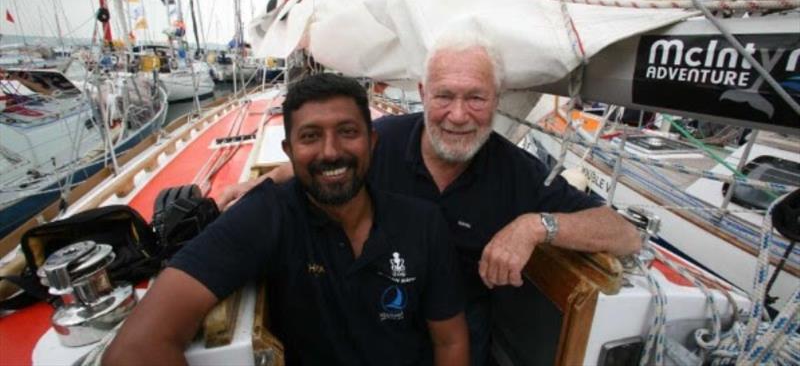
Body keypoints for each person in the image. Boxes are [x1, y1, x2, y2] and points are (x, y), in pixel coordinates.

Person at [219, 31, 641, 365]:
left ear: (497, 100)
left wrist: (537, 225)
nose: (458, 115)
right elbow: (310, 167)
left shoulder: (517, 172)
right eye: (444, 96)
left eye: (475, 97)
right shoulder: (380, 142)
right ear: (422, 93)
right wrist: (259, 187)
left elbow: (624, 235)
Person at [103, 74, 469, 366]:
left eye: (347, 132)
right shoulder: (268, 215)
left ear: (372, 142)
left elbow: (450, 340)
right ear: (289, 152)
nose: (331, 151)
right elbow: (134, 349)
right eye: (311, 136)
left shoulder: (422, 223)